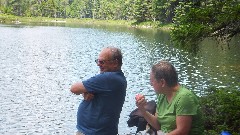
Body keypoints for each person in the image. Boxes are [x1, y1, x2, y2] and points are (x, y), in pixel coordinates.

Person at [135, 60, 204, 135]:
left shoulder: (184, 98)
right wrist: (142, 109)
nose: (151, 84)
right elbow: (158, 125)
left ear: (162, 82)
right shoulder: (162, 95)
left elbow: (182, 131)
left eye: (152, 81)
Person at [70, 46, 127, 135]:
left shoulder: (109, 78)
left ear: (115, 63)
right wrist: (86, 91)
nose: (98, 64)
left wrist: (84, 90)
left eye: (102, 62)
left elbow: (74, 88)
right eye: (98, 61)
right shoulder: (117, 78)